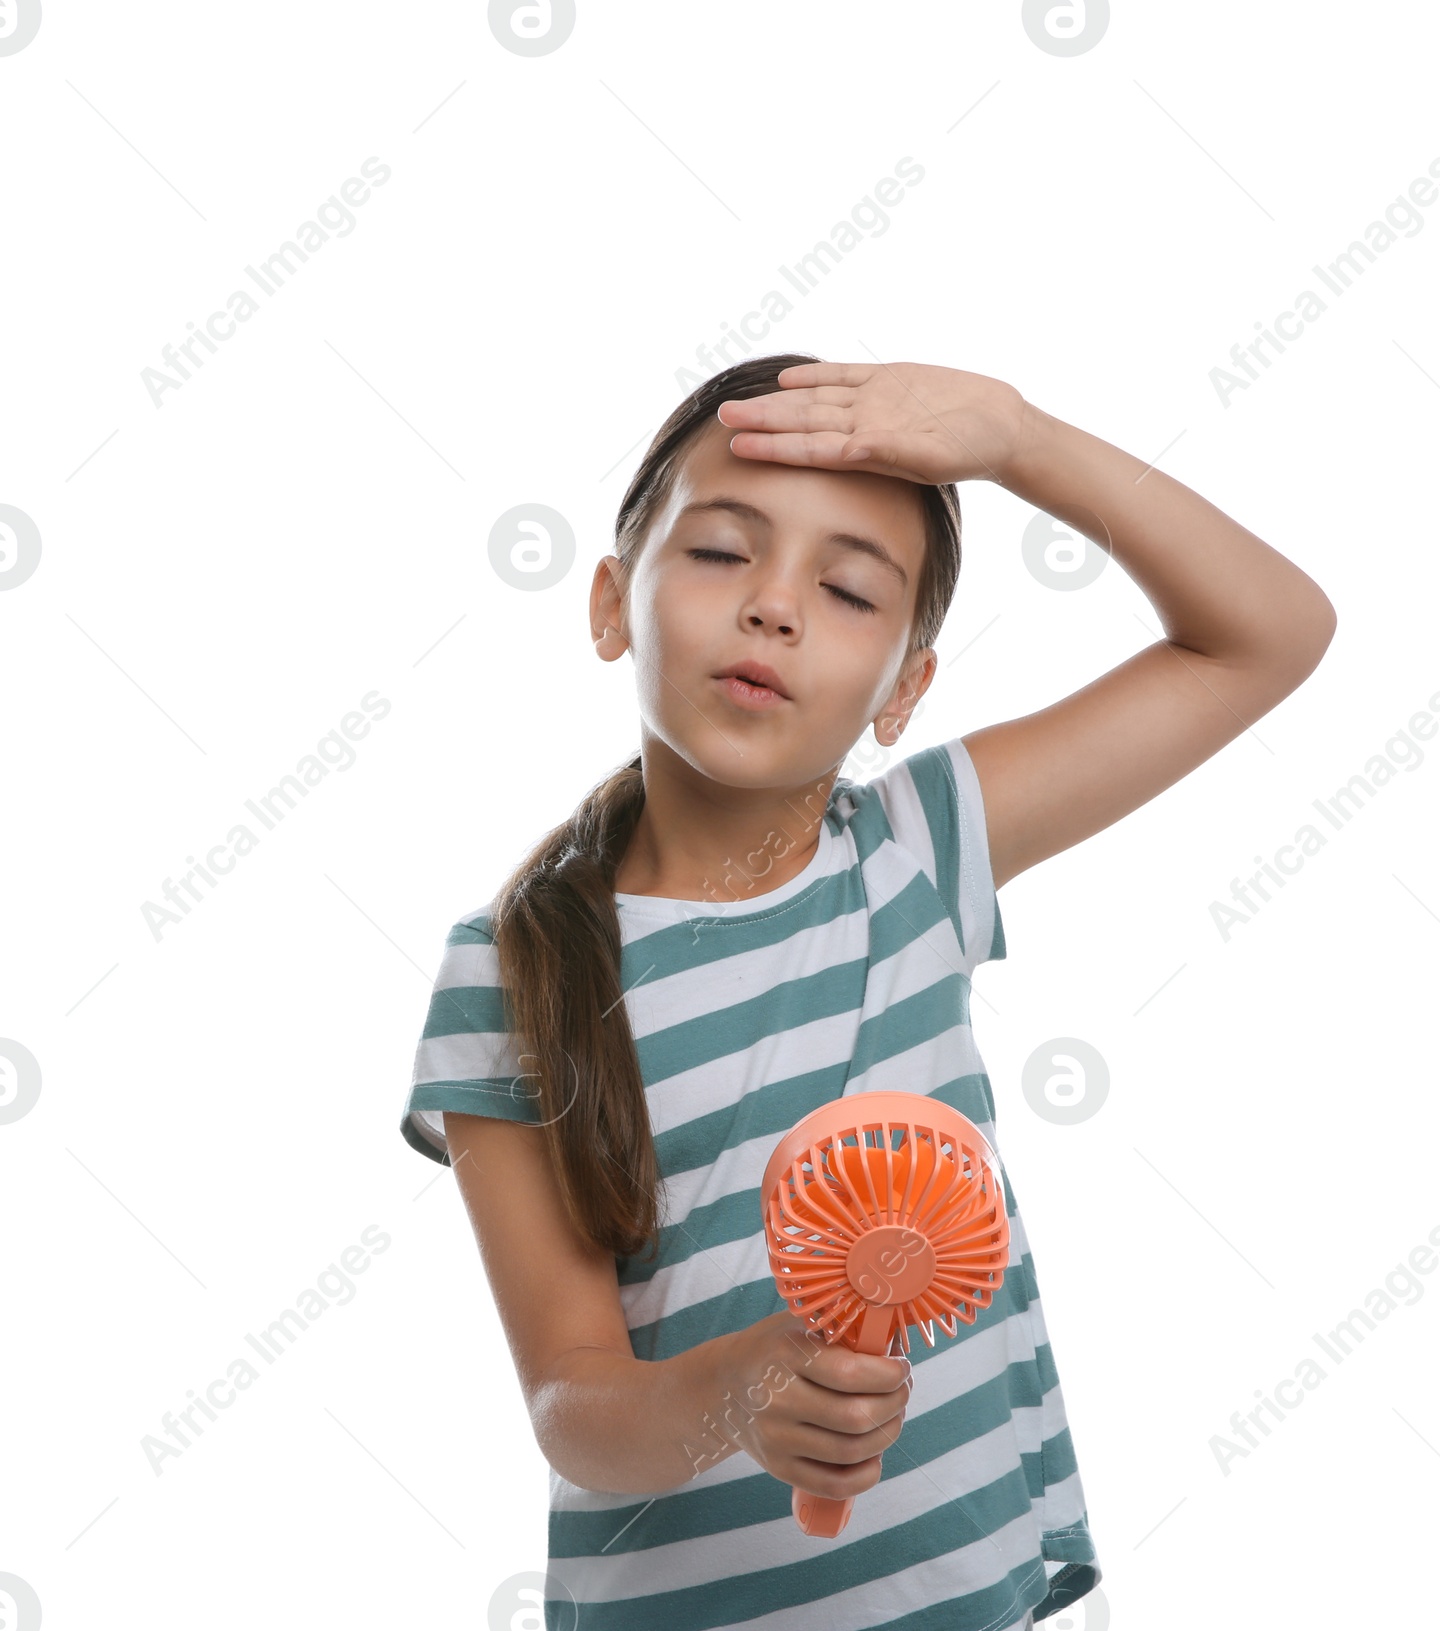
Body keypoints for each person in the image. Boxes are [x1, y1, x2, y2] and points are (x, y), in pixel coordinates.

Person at [400, 353, 1337, 1629]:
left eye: (846, 589)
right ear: (613, 602)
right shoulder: (506, 969)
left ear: (904, 687)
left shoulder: (914, 850)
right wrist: (732, 1390)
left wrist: (1018, 438)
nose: (775, 608)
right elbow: (574, 1406)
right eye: (724, 553)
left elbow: (1270, 631)